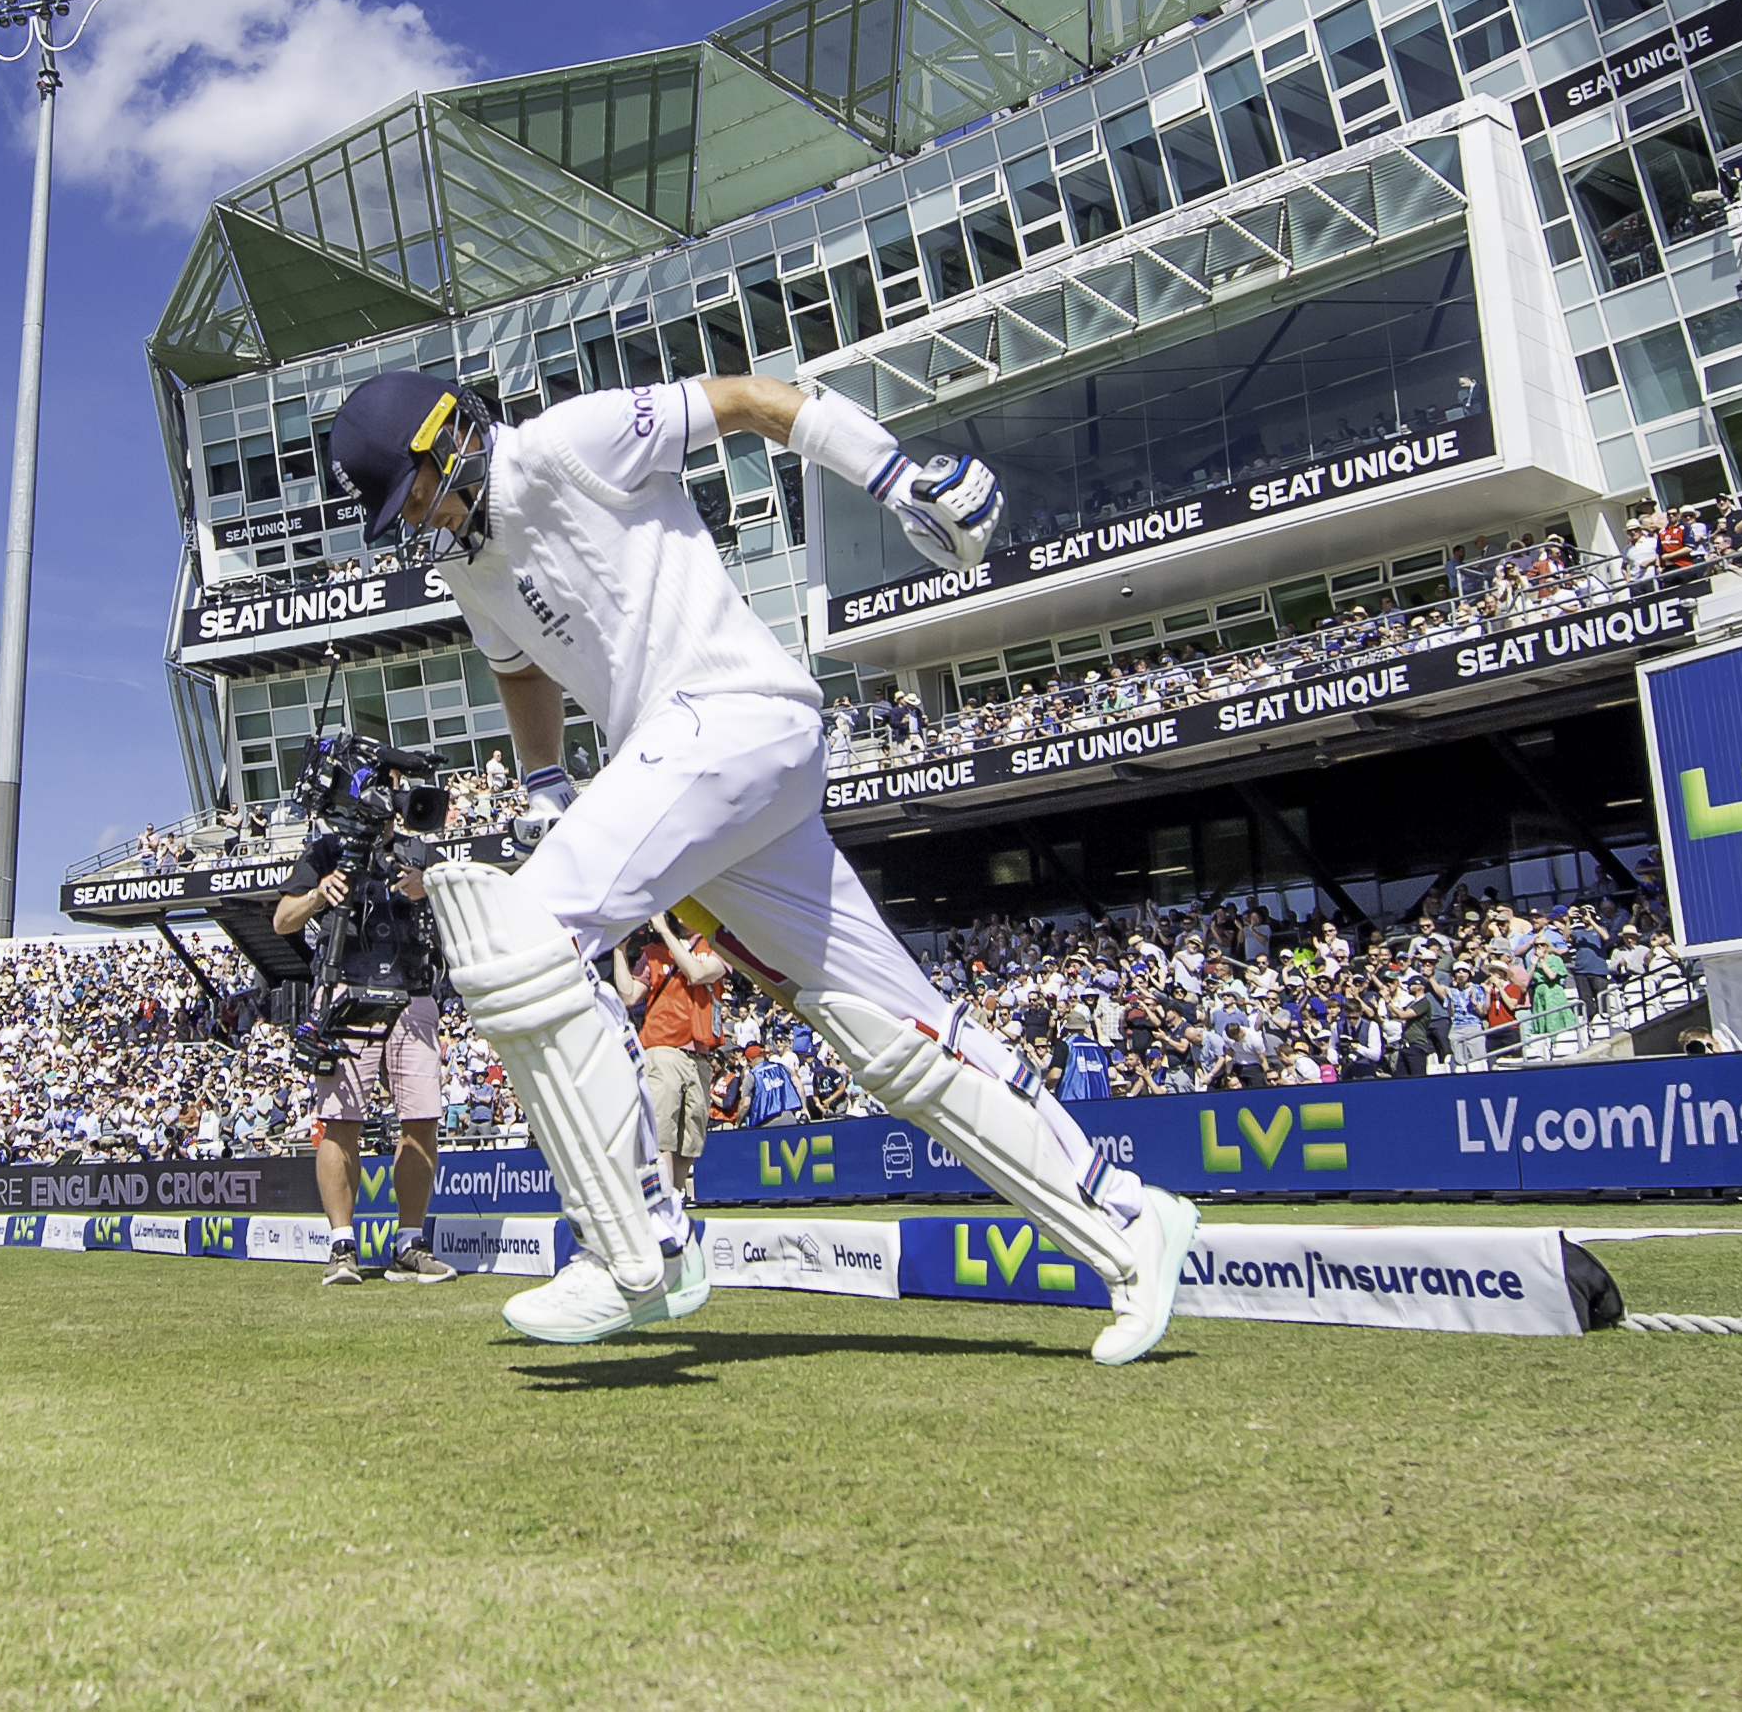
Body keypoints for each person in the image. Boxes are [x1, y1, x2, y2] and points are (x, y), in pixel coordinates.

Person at [320, 366, 1201, 1361]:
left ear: (456, 439)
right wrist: (546, 786)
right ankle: (1128, 1226)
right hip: (708, 776)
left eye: (418, 490)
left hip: (728, 716)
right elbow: (519, 664)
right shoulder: (466, 568)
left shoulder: (570, 440)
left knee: (520, 940)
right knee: (890, 1036)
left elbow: (744, 401)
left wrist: (896, 476)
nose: (421, 520)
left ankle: (640, 1253)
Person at [272, 782, 462, 1286]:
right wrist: (319, 893)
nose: (385, 806)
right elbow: (281, 920)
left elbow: (464, 908)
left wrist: (433, 886)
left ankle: (410, 1243)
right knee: (341, 1122)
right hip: (345, 988)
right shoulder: (328, 848)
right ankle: (342, 1247)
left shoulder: (420, 851)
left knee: (421, 1119)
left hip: (414, 991)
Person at [611, 914, 724, 1206]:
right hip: (662, 1049)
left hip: (699, 1054)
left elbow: (698, 974)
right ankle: (663, 1202)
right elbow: (628, 996)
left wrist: (664, 931)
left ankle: (674, 1201)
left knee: (690, 1138)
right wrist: (619, 951)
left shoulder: (716, 948)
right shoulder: (652, 954)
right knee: (663, 1132)